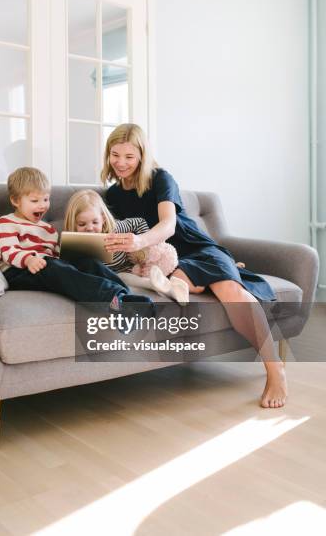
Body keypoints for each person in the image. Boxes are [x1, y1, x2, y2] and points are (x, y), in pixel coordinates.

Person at [101, 124, 287, 409]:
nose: (121, 162)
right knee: (186, 284)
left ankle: (276, 372)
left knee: (230, 292)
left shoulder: (161, 178)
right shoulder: (111, 196)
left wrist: (139, 242)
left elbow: (168, 224)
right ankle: (222, 273)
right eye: (116, 155)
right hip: (167, 259)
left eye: (129, 156)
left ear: (142, 156)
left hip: (196, 248)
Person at [0, 167, 152, 312]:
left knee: (87, 262)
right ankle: (114, 301)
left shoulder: (49, 230)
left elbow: (58, 258)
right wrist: (28, 260)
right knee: (52, 266)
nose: (42, 205)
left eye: (46, 199)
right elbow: (8, 251)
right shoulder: (7, 222)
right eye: (35, 201)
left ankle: (128, 299)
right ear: (15, 200)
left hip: (45, 268)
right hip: (17, 272)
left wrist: (72, 258)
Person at [63, 189, 189, 303]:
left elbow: (139, 222)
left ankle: (168, 285)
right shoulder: (74, 242)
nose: (89, 228)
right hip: (119, 275)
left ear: (103, 219)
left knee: (128, 275)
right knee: (122, 278)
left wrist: (141, 247)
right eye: (81, 224)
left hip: (134, 265)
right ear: (73, 223)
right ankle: (157, 285)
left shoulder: (116, 229)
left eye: (95, 222)